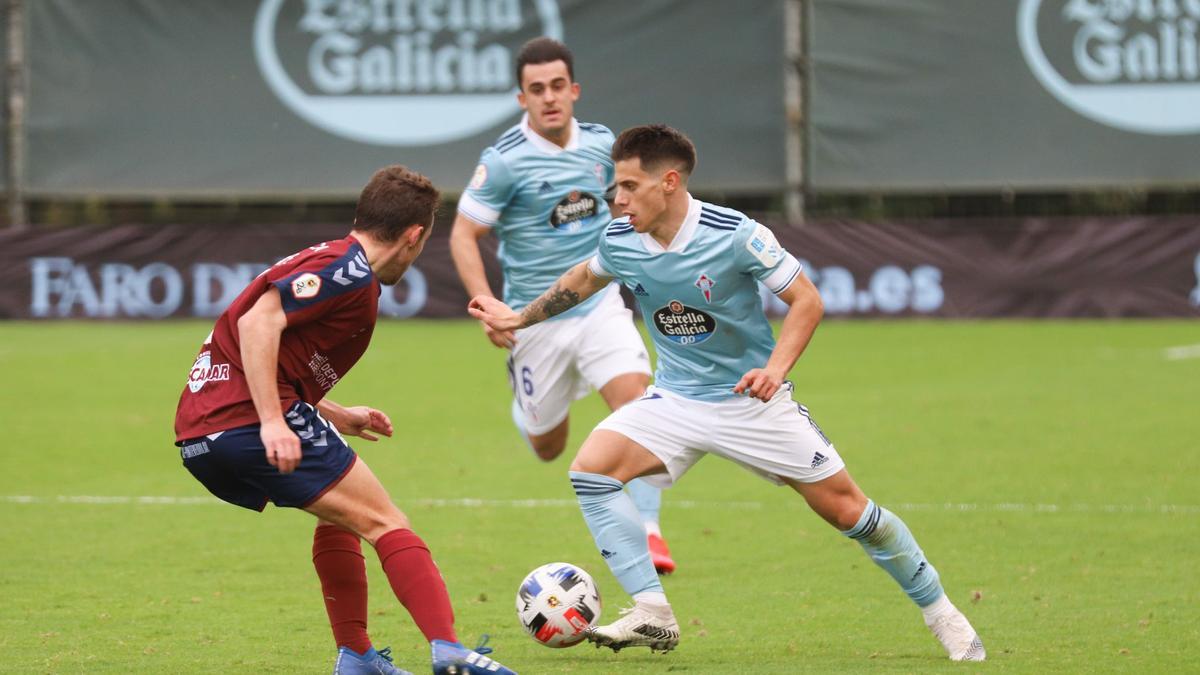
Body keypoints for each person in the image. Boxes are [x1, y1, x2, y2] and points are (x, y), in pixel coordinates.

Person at [468, 126, 987, 662]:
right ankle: (653, 613)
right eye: (612, 188)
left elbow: (806, 300)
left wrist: (775, 370)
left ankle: (942, 613)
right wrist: (520, 317)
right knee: (591, 470)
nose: (616, 200)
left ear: (668, 182)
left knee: (850, 512)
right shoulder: (620, 237)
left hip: (751, 403)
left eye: (627, 186)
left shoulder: (736, 233)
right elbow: (580, 279)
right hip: (674, 400)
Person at [174, 166, 516, 675]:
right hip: (248, 424)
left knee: (344, 517)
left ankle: (356, 657)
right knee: (386, 522)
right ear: (413, 236)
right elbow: (257, 323)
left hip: (201, 434)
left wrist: (335, 412)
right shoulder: (347, 270)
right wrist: (273, 420)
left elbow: (270, 356)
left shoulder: (335, 262)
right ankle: (449, 652)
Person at [449, 37, 676, 573]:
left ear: (573, 90)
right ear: (521, 98)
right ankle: (528, 410)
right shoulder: (503, 162)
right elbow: (463, 235)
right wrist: (485, 303)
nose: (549, 97)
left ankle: (648, 530)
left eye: (557, 86)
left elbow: (633, 204)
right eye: (536, 89)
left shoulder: (603, 146)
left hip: (599, 305)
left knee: (638, 408)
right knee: (548, 445)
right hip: (535, 320)